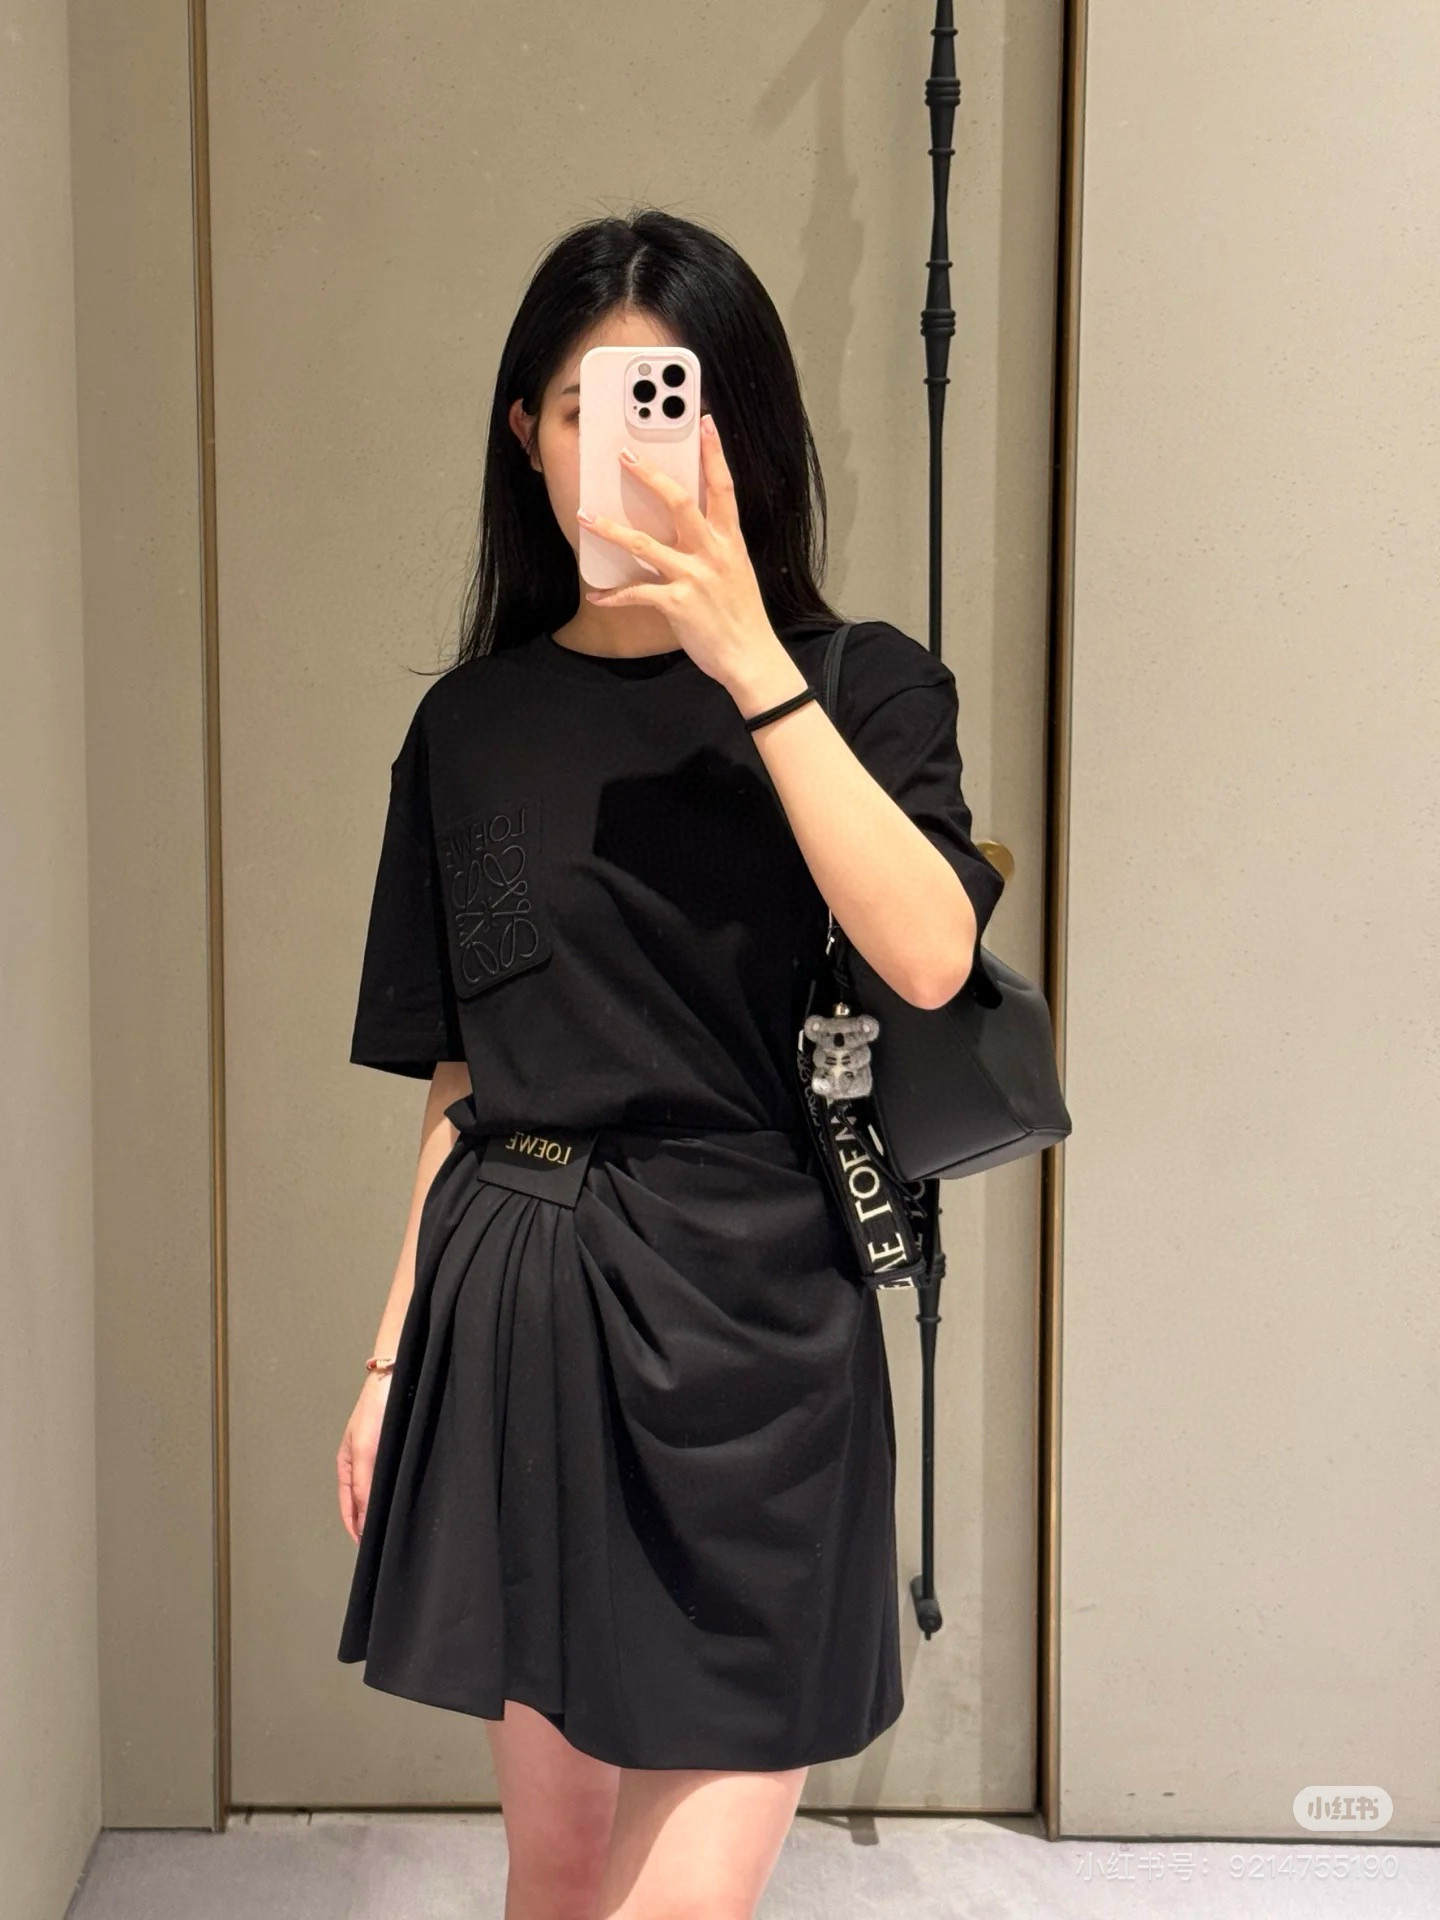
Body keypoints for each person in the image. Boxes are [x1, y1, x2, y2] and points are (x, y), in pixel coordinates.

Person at [334, 208, 1004, 1920]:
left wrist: (750, 662)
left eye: (666, 404)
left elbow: (930, 954)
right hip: (524, 1303)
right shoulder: (470, 727)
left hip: (759, 1330)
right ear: (529, 435)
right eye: (584, 408)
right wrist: (392, 1357)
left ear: (737, 431)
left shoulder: (861, 687)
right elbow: (465, 1074)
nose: (620, 447)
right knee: (556, 1877)